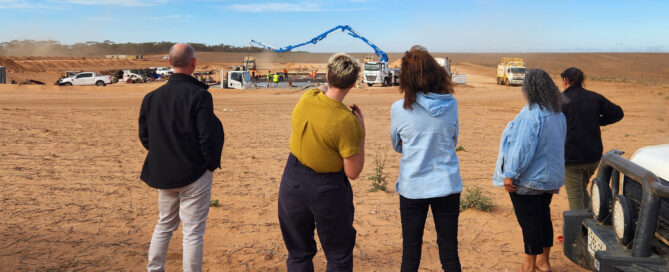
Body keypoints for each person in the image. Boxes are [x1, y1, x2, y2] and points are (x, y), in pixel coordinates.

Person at [139, 43, 224, 272]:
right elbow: (207, 136)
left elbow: (145, 137)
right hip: (194, 174)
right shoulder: (199, 95)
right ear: (194, 64)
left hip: (163, 172)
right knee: (193, 232)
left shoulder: (151, 97)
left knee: (164, 225)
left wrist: (164, 154)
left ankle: (154, 269)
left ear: (169, 63)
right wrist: (208, 165)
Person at [278, 52, 365, 271]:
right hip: (327, 189)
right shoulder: (347, 121)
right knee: (338, 255)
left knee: (298, 253)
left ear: (326, 75)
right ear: (354, 84)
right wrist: (361, 133)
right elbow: (353, 172)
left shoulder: (308, 97)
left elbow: (324, 91)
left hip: (292, 181)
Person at [390, 45, 462, 272]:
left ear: (406, 79)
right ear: (434, 72)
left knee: (410, 253)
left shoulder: (398, 108)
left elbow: (397, 145)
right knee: (449, 253)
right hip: (447, 185)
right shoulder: (451, 104)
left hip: (413, 187)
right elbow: (453, 140)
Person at [493, 69, 566, 272]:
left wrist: (511, 173)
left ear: (529, 89)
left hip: (529, 179)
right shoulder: (557, 113)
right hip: (550, 178)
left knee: (530, 222)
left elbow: (521, 149)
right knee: (542, 217)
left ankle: (529, 265)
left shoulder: (531, 114)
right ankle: (544, 262)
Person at [560, 67, 624, 210]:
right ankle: (592, 218)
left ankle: (580, 230)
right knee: (581, 188)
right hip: (593, 158)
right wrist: (599, 121)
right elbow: (618, 113)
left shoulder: (560, 101)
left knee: (575, 195)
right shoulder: (595, 98)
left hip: (571, 159)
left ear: (565, 80)